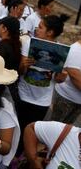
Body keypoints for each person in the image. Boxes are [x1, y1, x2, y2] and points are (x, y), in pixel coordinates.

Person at [15, 14, 69, 156]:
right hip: (22, 95)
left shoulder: (62, 52)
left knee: (28, 133)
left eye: (40, 27)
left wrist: (62, 76)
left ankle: (17, 159)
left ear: (50, 32)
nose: (37, 30)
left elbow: (58, 79)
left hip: (41, 102)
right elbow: (19, 71)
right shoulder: (28, 43)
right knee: (16, 129)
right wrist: (23, 65)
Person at [50, 38, 81, 124]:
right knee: (56, 129)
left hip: (77, 101)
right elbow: (75, 76)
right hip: (66, 98)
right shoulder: (76, 49)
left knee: (67, 130)